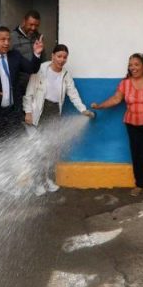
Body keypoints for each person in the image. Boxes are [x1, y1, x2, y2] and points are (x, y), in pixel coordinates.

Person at [91, 54, 143, 197]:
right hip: (133, 124)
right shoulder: (125, 83)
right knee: (137, 155)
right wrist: (100, 106)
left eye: (136, 64)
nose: (133, 67)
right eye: (131, 65)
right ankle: (139, 184)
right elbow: (116, 99)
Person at [23, 43, 94, 194]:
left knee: (50, 149)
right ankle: (37, 183)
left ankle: (47, 179)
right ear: (52, 56)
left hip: (54, 112)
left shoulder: (65, 75)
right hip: (39, 112)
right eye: (59, 56)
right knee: (38, 149)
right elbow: (29, 92)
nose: (61, 60)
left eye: (64, 57)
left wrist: (83, 110)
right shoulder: (41, 69)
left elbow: (73, 93)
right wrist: (28, 111)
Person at [0, 25, 43, 148]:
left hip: (13, 112)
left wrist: (36, 54)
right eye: (3, 39)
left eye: (9, 40)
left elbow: (31, 69)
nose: (6, 43)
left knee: (16, 147)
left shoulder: (15, 55)